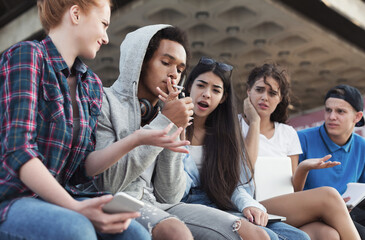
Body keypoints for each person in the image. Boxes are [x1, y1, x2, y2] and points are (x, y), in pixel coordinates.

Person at [0, 1, 189, 239]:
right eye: (103, 24)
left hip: (66, 197)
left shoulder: (90, 84)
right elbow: (19, 150)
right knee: (77, 230)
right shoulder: (28, 56)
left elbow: (83, 168)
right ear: (76, 14)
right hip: (15, 197)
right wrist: (75, 207)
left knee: (135, 234)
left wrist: (138, 139)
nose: (106, 37)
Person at [92, 24, 272, 240]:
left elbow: (169, 194)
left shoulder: (167, 110)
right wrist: (163, 122)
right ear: (140, 61)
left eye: (179, 69)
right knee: (176, 233)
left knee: (256, 235)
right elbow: (108, 184)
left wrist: (174, 129)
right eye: (166, 63)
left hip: (160, 205)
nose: (173, 74)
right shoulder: (105, 102)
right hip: (116, 201)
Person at [180, 57, 310, 240]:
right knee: (263, 237)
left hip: (222, 203)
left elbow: (236, 182)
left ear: (223, 98)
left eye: (216, 90)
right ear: (188, 86)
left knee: (300, 238)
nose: (207, 94)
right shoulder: (173, 126)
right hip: (187, 205)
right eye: (201, 85)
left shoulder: (225, 134)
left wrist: (249, 204)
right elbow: (171, 190)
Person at [241, 63, 361, 240]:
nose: (264, 97)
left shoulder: (287, 133)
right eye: (259, 90)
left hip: (281, 207)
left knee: (329, 234)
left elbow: (294, 190)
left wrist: (303, 168)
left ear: (280, 98)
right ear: (248, 91)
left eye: (272, 93)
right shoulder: (232, 126)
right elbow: (245, 171)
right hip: (247, 204)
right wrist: (254, 122)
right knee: (329, 195)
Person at [296, 84, 365, 239]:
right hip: (310, 215)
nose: (331, 116)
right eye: (328, 110)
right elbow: (290, 192)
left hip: (348, 213)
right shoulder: (300, 139)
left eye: (340, 111)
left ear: (357, 117)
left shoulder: (362, 146)